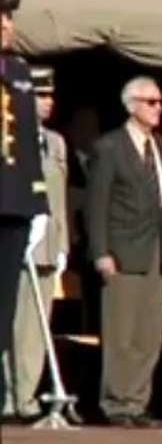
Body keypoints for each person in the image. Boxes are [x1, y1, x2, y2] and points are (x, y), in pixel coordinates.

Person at [88, 76, 162, 427]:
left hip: (157, 252)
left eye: (160, 102)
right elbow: (96, 204)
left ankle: (137, 401)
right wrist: (101, 251)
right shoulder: (110, 148)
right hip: (123, 251)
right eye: (151, 102)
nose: (158, 108)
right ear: (131, 105)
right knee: (122, 334)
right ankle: (117, 403)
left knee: (149, 334)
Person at [1, 0, 51, 444]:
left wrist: (38, 203)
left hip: (12, 207)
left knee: (1, 322)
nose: (6, 25)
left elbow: (29, 144)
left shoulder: (17, 71)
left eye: (8, 17)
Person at [7, 66, 69, 423]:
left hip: (46, 245)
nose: (46, 103)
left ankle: (26, 397)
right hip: (16, 240)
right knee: (12, 322)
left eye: (49, 96)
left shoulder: (55, 141)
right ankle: (8, 396)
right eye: (39, 96)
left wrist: (62, 244)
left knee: (36, 328)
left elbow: (58, 196)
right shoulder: (11, 137)